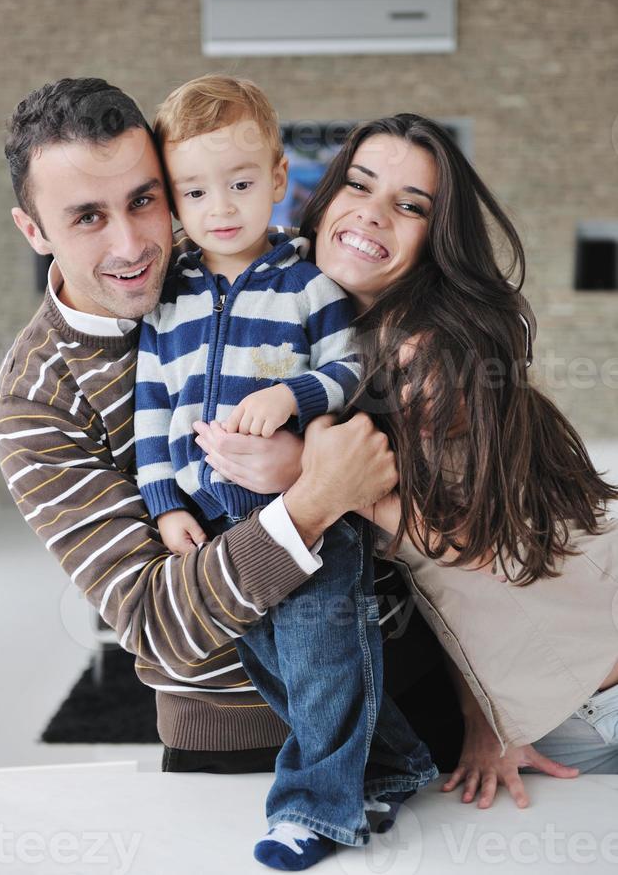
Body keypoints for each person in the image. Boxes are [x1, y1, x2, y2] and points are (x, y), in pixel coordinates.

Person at [0, 78, 403, 782]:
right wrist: (315, 495)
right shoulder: (34, 400)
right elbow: (158, 622)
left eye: (144, 200)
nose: (131, 244)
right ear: (34, 231)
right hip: (238, 735)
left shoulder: (278, 272)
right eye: (87, 217)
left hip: (404, 683)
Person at [199, 111, 618, 809]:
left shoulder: (432, 351)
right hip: (548, 695)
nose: (371, 214)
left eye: (409, 205)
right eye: (358, 185)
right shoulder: (326, 335)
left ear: (435, 236)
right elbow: (439, 593)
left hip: (595, 689)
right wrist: (488, 721)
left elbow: (473, 547)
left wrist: (312, 479)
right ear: (325, 196)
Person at [134, 75, 435, 870]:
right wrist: (165, 500)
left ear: (277, 179)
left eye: (239, 183)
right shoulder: (168, 301)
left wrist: (288, 392)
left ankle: (311, 810)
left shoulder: (309, 282)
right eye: (194, 191)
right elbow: (152, 408)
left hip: (312, 507)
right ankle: (396, 761)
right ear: (172, 200)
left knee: (320, 656)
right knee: (276, 664)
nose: (221, 207)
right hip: (222, 524)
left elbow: (344, 371)